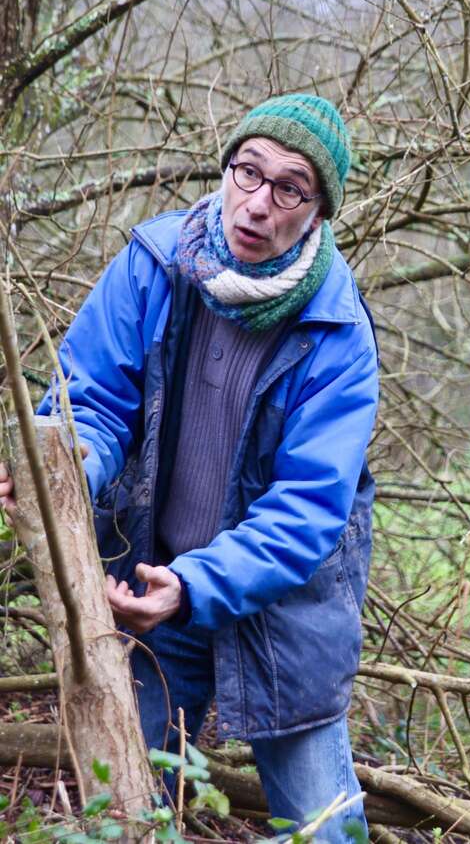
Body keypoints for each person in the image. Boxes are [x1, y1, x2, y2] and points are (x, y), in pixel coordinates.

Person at [0, 94, 378, 842]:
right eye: (249, 171)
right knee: (122, 810)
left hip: (283, 617)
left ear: (317, 214)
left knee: (323, 827)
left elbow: (307, 509)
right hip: (149, 579)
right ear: (226, 168)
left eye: (290, 189)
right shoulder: (153, 265)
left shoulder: (338, 335)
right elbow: (92, 404)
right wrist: (61, 472)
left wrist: (198, 586)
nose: (258, 203)